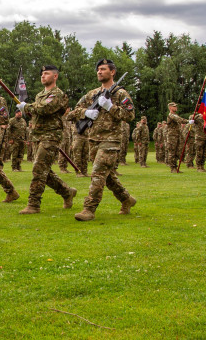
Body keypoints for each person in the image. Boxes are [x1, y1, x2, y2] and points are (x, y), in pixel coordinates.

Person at [72, 59, 136, 221]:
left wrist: (110, 107)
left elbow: (130, 115)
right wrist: (86, 113)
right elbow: (72, 112)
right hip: (93, 140)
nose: (99, 72)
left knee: (98, 173)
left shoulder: (120, 93)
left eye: (103, 69)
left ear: (112, 72)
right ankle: (126, 199)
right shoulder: (92, 94)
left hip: (111, 140)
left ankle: (89, 208)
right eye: (98, 70)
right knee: (107, 177)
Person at [17, 65, 77, 214]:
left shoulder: (58, 94)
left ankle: (34, 204)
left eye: (47, 73)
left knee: (38, 169)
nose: (43, 76)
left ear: (55, 76)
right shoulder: (39, 95)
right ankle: (66, 192)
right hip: (38, 136)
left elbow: (45, 109)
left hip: (51, 137)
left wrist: (27, 107)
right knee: (44, 171)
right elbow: (38, 110)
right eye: (42, 74)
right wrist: (30, 108)